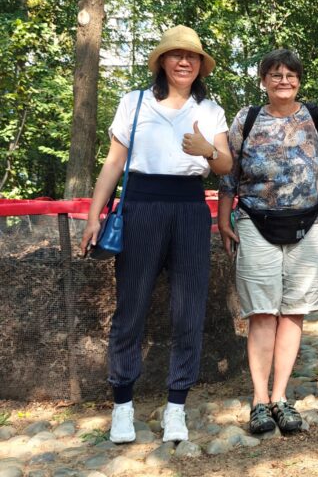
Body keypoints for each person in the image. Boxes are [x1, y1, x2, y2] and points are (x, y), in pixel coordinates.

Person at [80, 25, 233, 444]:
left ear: (201, 66)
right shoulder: (135, 102)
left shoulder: (211, 109)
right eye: (176, 55)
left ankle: (177, 406)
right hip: (141, 203)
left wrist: (209, 151)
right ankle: (123, 406)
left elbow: (224, 166)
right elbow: (113, 165)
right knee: (131, 305)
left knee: (189, 308)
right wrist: (94, 216)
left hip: (188, 207)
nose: (184, 62)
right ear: (162, 62)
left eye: (193, 57)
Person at [217, 49, 318, 435]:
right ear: (263, 80)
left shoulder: (314, 116)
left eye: (291, 74)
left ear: (299, 79)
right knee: (262, 312)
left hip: (310, 223)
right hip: (254, 220)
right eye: (275, 74)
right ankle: (259, 401)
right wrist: (223, 216)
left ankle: (280, 397)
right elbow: (228, 171)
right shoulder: (246, 119)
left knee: (294, 311)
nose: (284, 80)